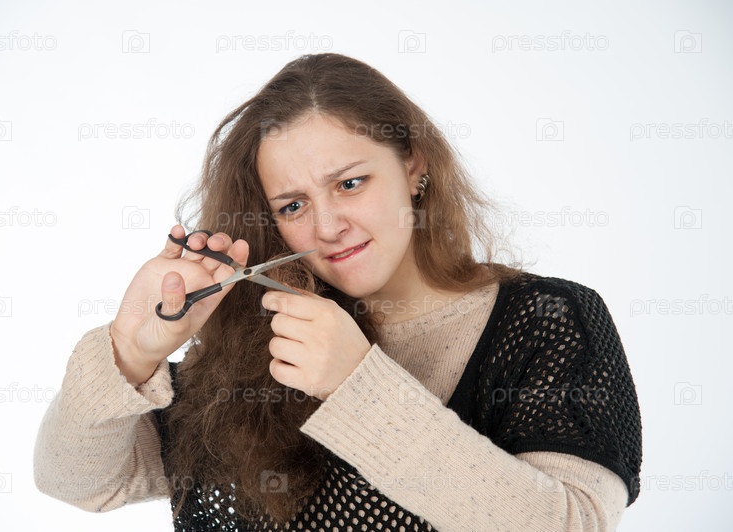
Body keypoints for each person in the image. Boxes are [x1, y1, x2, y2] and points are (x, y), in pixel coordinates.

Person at [34, 53, 642, 531]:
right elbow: (78, 482)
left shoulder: (547, 318)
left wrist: (357, 384)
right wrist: (130, 351)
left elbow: (572, 523)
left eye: (350, 183)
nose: (327, 227)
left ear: (414, 166)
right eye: (293, 205)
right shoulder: (251, 346)